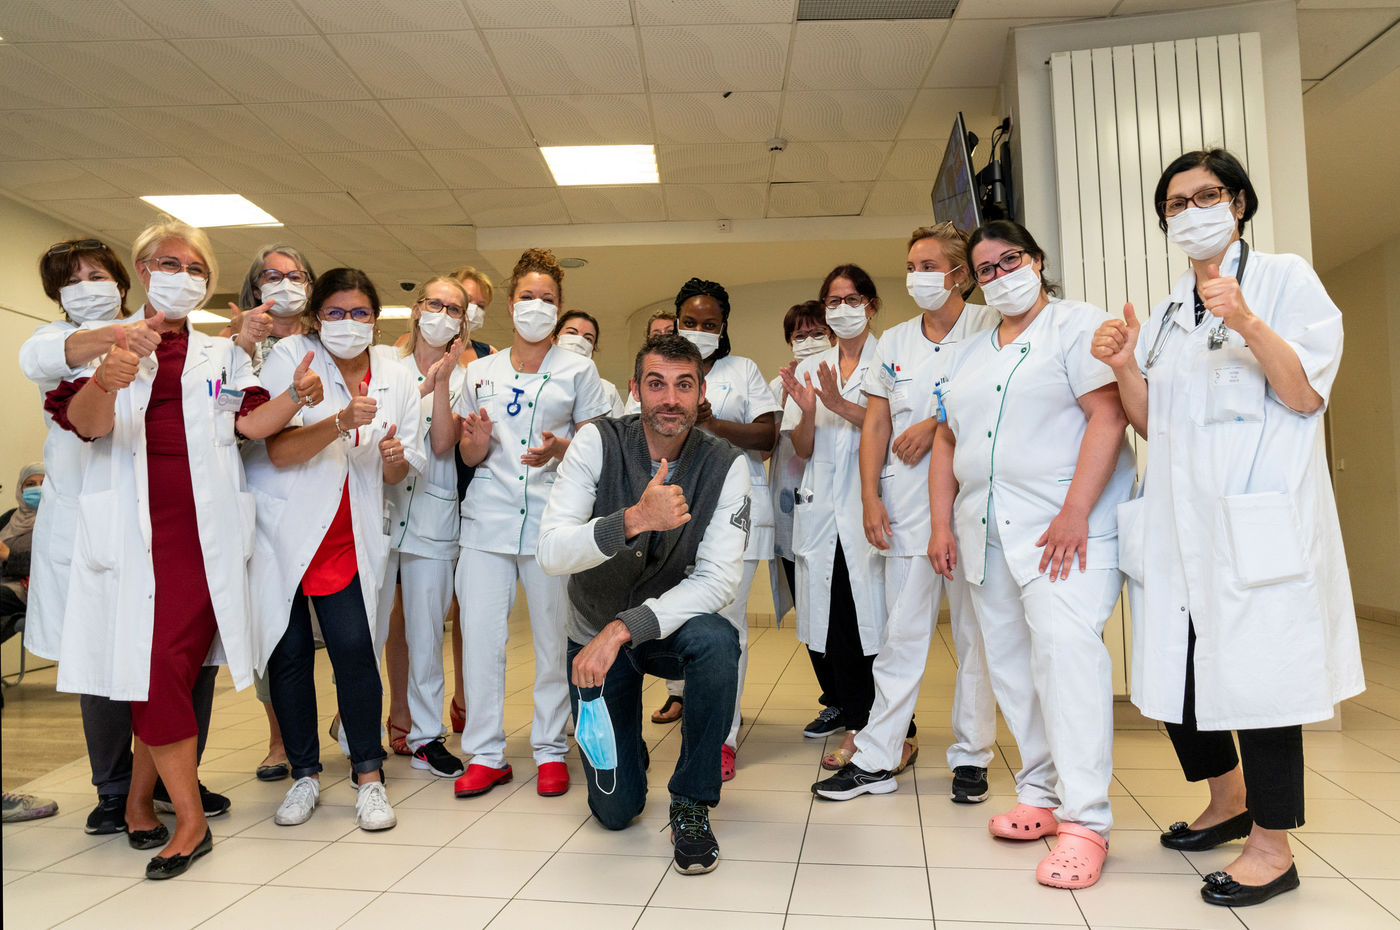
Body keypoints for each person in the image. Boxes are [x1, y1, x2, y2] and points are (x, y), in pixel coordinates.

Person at [1091, 149, 1363, 907]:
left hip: (1252, 519)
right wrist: (1126, 367)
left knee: (1260, 679)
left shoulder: (1284, 279)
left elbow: (1305, 395)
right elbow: (1153, 424)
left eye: (1204, 195)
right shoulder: (1169, 312)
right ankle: (1228, 799)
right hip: (1180, 524)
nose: (1190, 212)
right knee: (1176, 673)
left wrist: (1244, 319)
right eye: (1175, 205)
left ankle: (1273, 848)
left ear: (1238, 203)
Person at [45, 218, 315, 879]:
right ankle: (182, 817)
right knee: (155, 668)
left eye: (197, 269)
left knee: (167, 667)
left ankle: (148, 802)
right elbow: (86, 426)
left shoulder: (219, 352)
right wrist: (109, 376)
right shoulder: (108, 342)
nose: (184, 277)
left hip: (204, 534)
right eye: (170, 264)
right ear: (143, 272)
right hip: (134, 534)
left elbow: (249, 423)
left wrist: (296, 397)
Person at [926, 219, 1135, 890]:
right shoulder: (970, 351)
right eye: (986, 269)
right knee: (1014, 668)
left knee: (1065, 662)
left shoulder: (1076, 325)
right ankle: (1040, 793)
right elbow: (947, 440)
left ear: (1037, 260)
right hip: (985, 529)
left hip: (1062, 530)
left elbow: (1109, 415)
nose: (1000, 275)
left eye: (1009, 260)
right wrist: (942, 524)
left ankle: (1086, 822)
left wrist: (1075, 511)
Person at [19, 237, 230, 834]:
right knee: (105, 660)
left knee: (185, 660)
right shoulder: (62, 343)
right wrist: (120, 339)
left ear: (121, 280)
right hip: (95, 524)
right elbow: (47, 363)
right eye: (72, 280)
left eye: (97, 275)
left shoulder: (179, 339)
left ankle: (173, 781)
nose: (87, 287)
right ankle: (115, 790)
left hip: (176, 520)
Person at [536, 332, 749, 875]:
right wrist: (633, 519)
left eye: (683, 385)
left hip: (662, 629)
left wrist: (622, 629)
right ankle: (629, 755)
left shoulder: (726, 465)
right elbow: (551, 551)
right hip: (592, 630)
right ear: (635, 389)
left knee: (719, 641)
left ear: (701, 393)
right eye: (656, 384)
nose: (669, 399)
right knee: (615, 810)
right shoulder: (597, 442)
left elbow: (718, 581)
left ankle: (691, 802)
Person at [812, 223, 999, 802]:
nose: (917, 276)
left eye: (929, 266)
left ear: (960, 273)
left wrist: (935, 422)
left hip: (974, 501)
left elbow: (997, 400)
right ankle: (878, 753)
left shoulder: (990, 326)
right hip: (905, 506)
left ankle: (972, 757)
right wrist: (869, 496)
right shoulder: (893, 341)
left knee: (975, 636)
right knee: (900, 636)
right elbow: (875, 422)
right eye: (911, 266)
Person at [245, 267, 419, 834]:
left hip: (348, 531)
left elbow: (395, 472)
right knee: (289, 653)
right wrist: (339, 423)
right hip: (285, 529)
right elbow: (277, 452)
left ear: (376, 318)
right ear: (318, 317)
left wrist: (393, 456)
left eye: (360, 312)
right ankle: (304, 774)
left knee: (354, 650)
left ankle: (369, 776)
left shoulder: (395, 373)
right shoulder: (290, 357)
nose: (349, 322)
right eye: (337, 313)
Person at [450, 248, 612, 799]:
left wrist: (561, 449)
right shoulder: (479, 372)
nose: (536, 306)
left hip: (551, 523)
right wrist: (474, 443)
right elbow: (469, 455)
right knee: (481, 641)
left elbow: (599, 449)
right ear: (511, 303)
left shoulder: (579, 370)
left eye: (547, 299)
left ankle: (549, 749)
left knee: (551, 639)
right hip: (486, 523)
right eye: (527, 296)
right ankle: (485, 753)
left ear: (558, 307)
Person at [666, 278, 779, 779]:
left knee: (727, 625)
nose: (699, 330)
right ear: (676, 323)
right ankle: (693, 714)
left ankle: (720, 737)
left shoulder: (743, 370)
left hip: (737, 513)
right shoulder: (665, 369)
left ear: (723, 326)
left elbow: (768, 435)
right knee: (682, 622)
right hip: (676, 514)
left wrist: (712, 425)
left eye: (709, 323)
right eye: (690, 322)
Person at [780, 265, 885, 762]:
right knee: (836, 618)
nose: (842, 309)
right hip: (821, 508)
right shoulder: (810, 368)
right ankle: (856, 718)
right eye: (833, 301)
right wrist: (807, 410)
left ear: (871, 305)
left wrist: (839, 405)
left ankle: (883, 721)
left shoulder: (890, 358)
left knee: (875, 618)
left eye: (852, 299)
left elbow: (892, 429)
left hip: (872, 503)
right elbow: (802, 449)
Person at [373, 277, 473, 779]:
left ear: (463, 323)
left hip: (433, 514)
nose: (442, 314)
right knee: (367, 628)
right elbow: (376, 424)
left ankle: (427, 737)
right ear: (416, 309)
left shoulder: (468, 378)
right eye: (435, 304)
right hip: (378, 508)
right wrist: (424, 384)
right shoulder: (381, 363)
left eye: (454, 309)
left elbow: (440, 443)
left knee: (427, 632)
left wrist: (442, 381)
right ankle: (357, 727)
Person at [224, 244, 317, 782]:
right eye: (272, 275)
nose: (285, 283)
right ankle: (280, 739)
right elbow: (223, 419)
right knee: (274, 626)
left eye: (296, 275)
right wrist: (243, 344)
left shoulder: (326, 340)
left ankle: (347, 724)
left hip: (319, 490)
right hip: (259, 498)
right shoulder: (234, 346)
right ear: (255, 286)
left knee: (345, 628)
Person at [443, 265, 497, 736]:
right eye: (464, 300)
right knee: (409, 607)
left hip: (470, 478)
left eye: (478, 304)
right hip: (426, 478)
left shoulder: (488, 358)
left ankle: (463, 696)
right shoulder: (407, 348)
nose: (470, 310)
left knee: (466, 600)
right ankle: (403, 708)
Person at [767, 301, 830, 641]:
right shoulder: (777, 387)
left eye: (818, 333)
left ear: (833, 335)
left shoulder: (845, 379)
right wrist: (785, 400)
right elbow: (766, 445)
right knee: (805, 607)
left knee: (836, 606)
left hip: (831, 504)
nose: (809, 341)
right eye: (800, 336)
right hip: (789, 506)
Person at [0, 464, 45, 643]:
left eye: (44, 483)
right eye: (30, 484)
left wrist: (8, 556)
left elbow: (46, 564)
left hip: (27, 589)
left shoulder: (57, 522)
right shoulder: (10, 517)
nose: (38, 488)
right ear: (21, 488)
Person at [554, 309, 626, 415]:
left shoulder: (607, 391)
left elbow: (619, 425)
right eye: (572, 333)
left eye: (588, 338)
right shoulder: (536, 379)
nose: (579, 341)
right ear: (553, 339)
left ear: (592, 350)